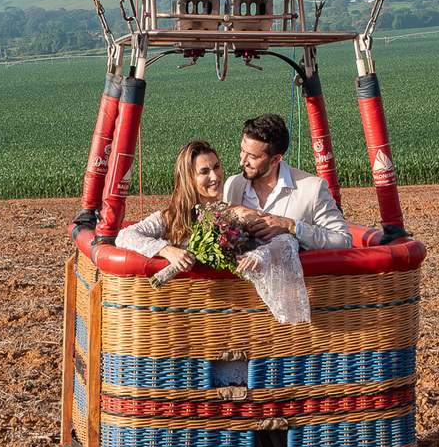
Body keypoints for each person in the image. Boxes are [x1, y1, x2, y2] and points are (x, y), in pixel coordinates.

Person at [115, 138, 309, 324]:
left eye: (216, 167)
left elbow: (284, 238)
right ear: (188, 178)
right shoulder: (171, 218)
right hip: (181, 314)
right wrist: (166, 250)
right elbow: (125, 236)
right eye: (204, 171)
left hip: (228, 312)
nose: (215, 177)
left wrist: (261, 255)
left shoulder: (234, 214)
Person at [224, 113, 355, 250]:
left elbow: (343, 240)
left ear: (275, 159)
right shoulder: (233, 184)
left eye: (251, 156)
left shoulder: (312, 188)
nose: (242, 161)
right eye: (242, 151)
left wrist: (292, 227)